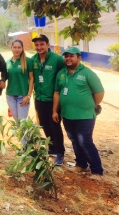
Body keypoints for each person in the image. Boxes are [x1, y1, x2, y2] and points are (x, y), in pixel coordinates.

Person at [52, 47, 105, 179]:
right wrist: (54, 110)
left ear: (79, 58)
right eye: (66, 56)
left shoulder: (87, 73)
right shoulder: (61, 73)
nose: (68, 59)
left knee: (85, 141)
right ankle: (81, 164)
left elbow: (99, 92)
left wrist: (92, 105)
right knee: (75, 140)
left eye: (72, 56)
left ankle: (97, 171)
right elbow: (57, 92)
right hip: (67, 114)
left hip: (85, 116)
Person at [31, 34, 65, 165]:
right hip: (39, 98)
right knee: (44, 124)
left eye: (41, 44)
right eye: (37, 45)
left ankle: (60, 153)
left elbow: (65, 75)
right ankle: (51, 148)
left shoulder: (57, 60)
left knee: (55, 125)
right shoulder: (33, 60)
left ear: (47, 45)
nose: (39, 47)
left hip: (53, 100)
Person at [6, 39, 34, 122]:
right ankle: (24, 136)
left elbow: (32, 78)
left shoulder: (28, 61)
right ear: (11, 48)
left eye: (19, 47)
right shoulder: (8, 62)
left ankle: (27, 136)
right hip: (10, 96)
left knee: (22, 123)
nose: (17, 49)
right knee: (17, 123)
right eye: (14, 47)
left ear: (22, 48)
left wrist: (28, 96)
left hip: (22, 97)